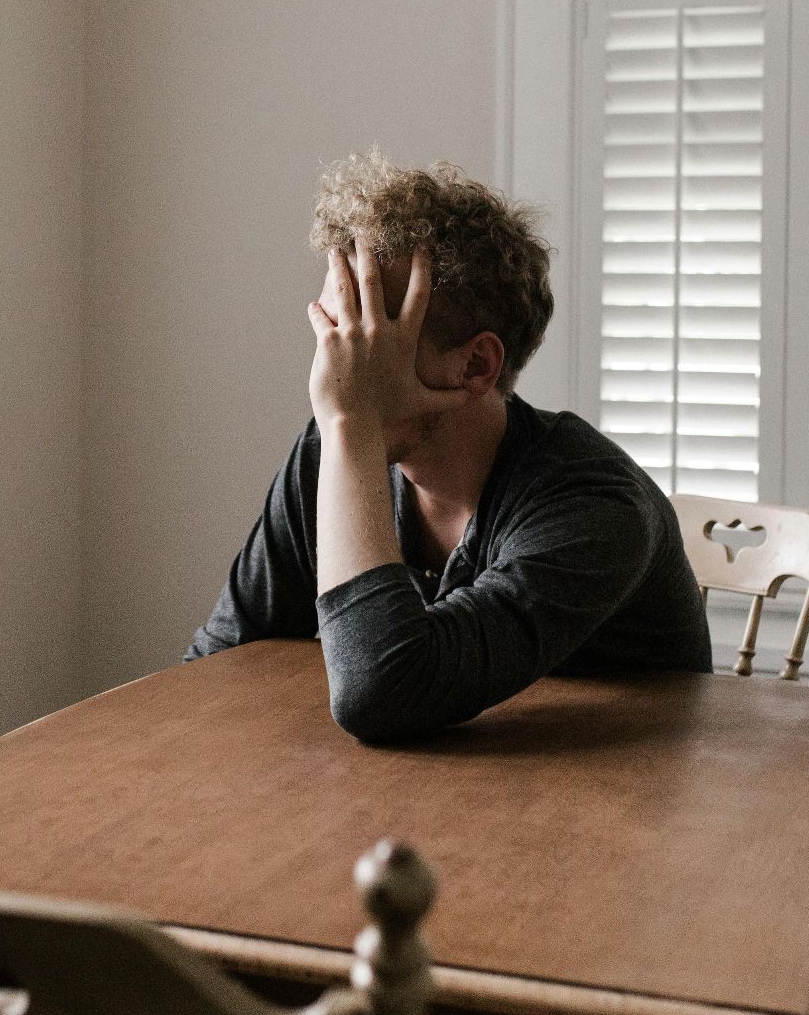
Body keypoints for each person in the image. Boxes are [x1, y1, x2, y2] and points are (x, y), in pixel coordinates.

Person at [186, 151, 711, 743]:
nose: (332, 370)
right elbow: (217, 665)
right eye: (332, 331)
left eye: (366, 336)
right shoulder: (333, 450)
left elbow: (381, 693)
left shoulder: (596, 506)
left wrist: (352, 424)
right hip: (428, 795)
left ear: (476, 364)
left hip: (621, 805)